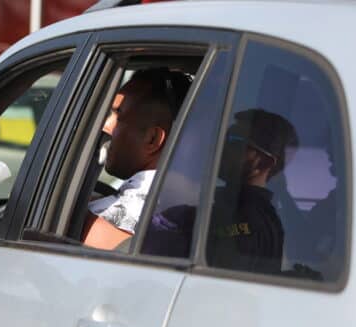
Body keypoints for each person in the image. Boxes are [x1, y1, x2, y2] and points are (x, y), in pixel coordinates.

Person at [144, 109, 299, 275]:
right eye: (223, 138)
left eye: (233, 141)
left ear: (262, 163)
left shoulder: (247, 220)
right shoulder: (247, 211)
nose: (221, 146)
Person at [82, 68, 192, 250]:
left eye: (117, 114)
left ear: (152, 139)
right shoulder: (202, 203)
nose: (104, 125)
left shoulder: (96, 220)